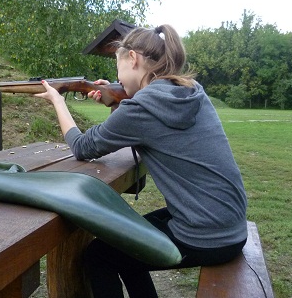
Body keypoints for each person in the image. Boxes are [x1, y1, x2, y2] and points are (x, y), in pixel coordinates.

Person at [35, 24, 247, 298]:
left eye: (117, 64)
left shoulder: (140, 108)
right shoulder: (191, 91)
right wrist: (116, 101)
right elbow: (140, 120)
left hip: (204, 235)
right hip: (228, 223)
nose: (116, 76)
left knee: (100, 256)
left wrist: (58, 101)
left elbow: (83, 147)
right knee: (129, 240)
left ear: (132, 58)